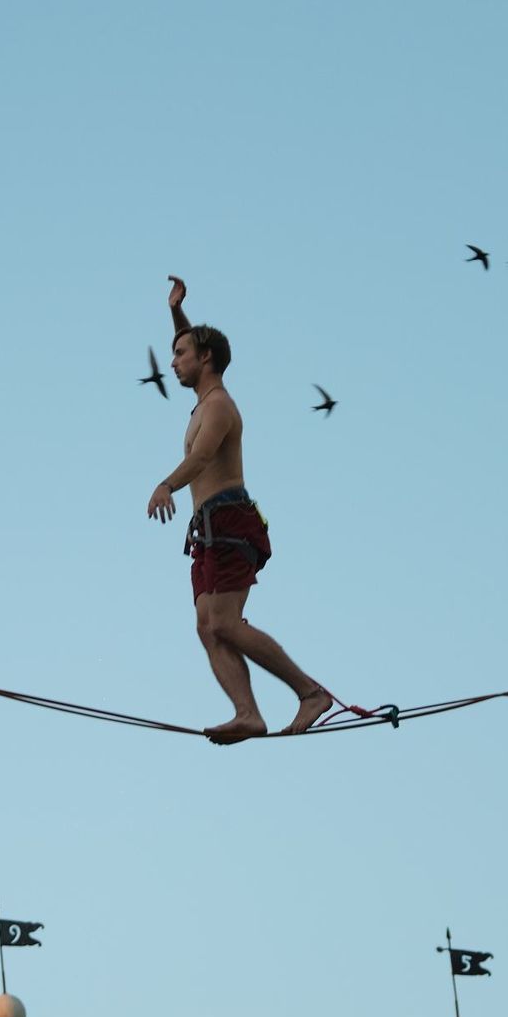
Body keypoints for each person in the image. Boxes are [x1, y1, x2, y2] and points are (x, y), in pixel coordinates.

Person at [147, 277, 332, 742]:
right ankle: (247, 712)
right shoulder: (204, 400)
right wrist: (177, 313)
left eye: (181, 355)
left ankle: (310, 692)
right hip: (207, 529)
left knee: (225, 622)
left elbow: (203, 457)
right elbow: (198, 344)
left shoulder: (220, 407)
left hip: (231, 520)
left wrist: (167, 483)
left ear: (205, 358)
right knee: (209, 627)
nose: (173, 363)